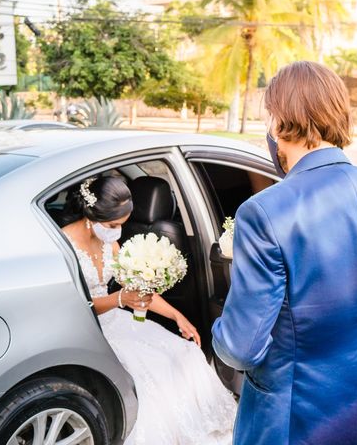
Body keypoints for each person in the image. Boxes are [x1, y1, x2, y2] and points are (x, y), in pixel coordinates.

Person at [212, 61, 357, 444]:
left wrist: (219, 328)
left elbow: (241, 348)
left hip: (292, 420)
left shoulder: (265, 211)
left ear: (278, 122)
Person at [62, 176, 237, 445]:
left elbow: (136, 290)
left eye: (122, 225)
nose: (117, 232)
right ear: (91, 215)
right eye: (113, 225)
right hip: (84, 328)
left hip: (115, 318)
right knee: (147, 369)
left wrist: (177, 317)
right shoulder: (65, 245)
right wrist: (120, 299)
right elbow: (71, 306)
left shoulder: (110, 242)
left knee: (185, 351)